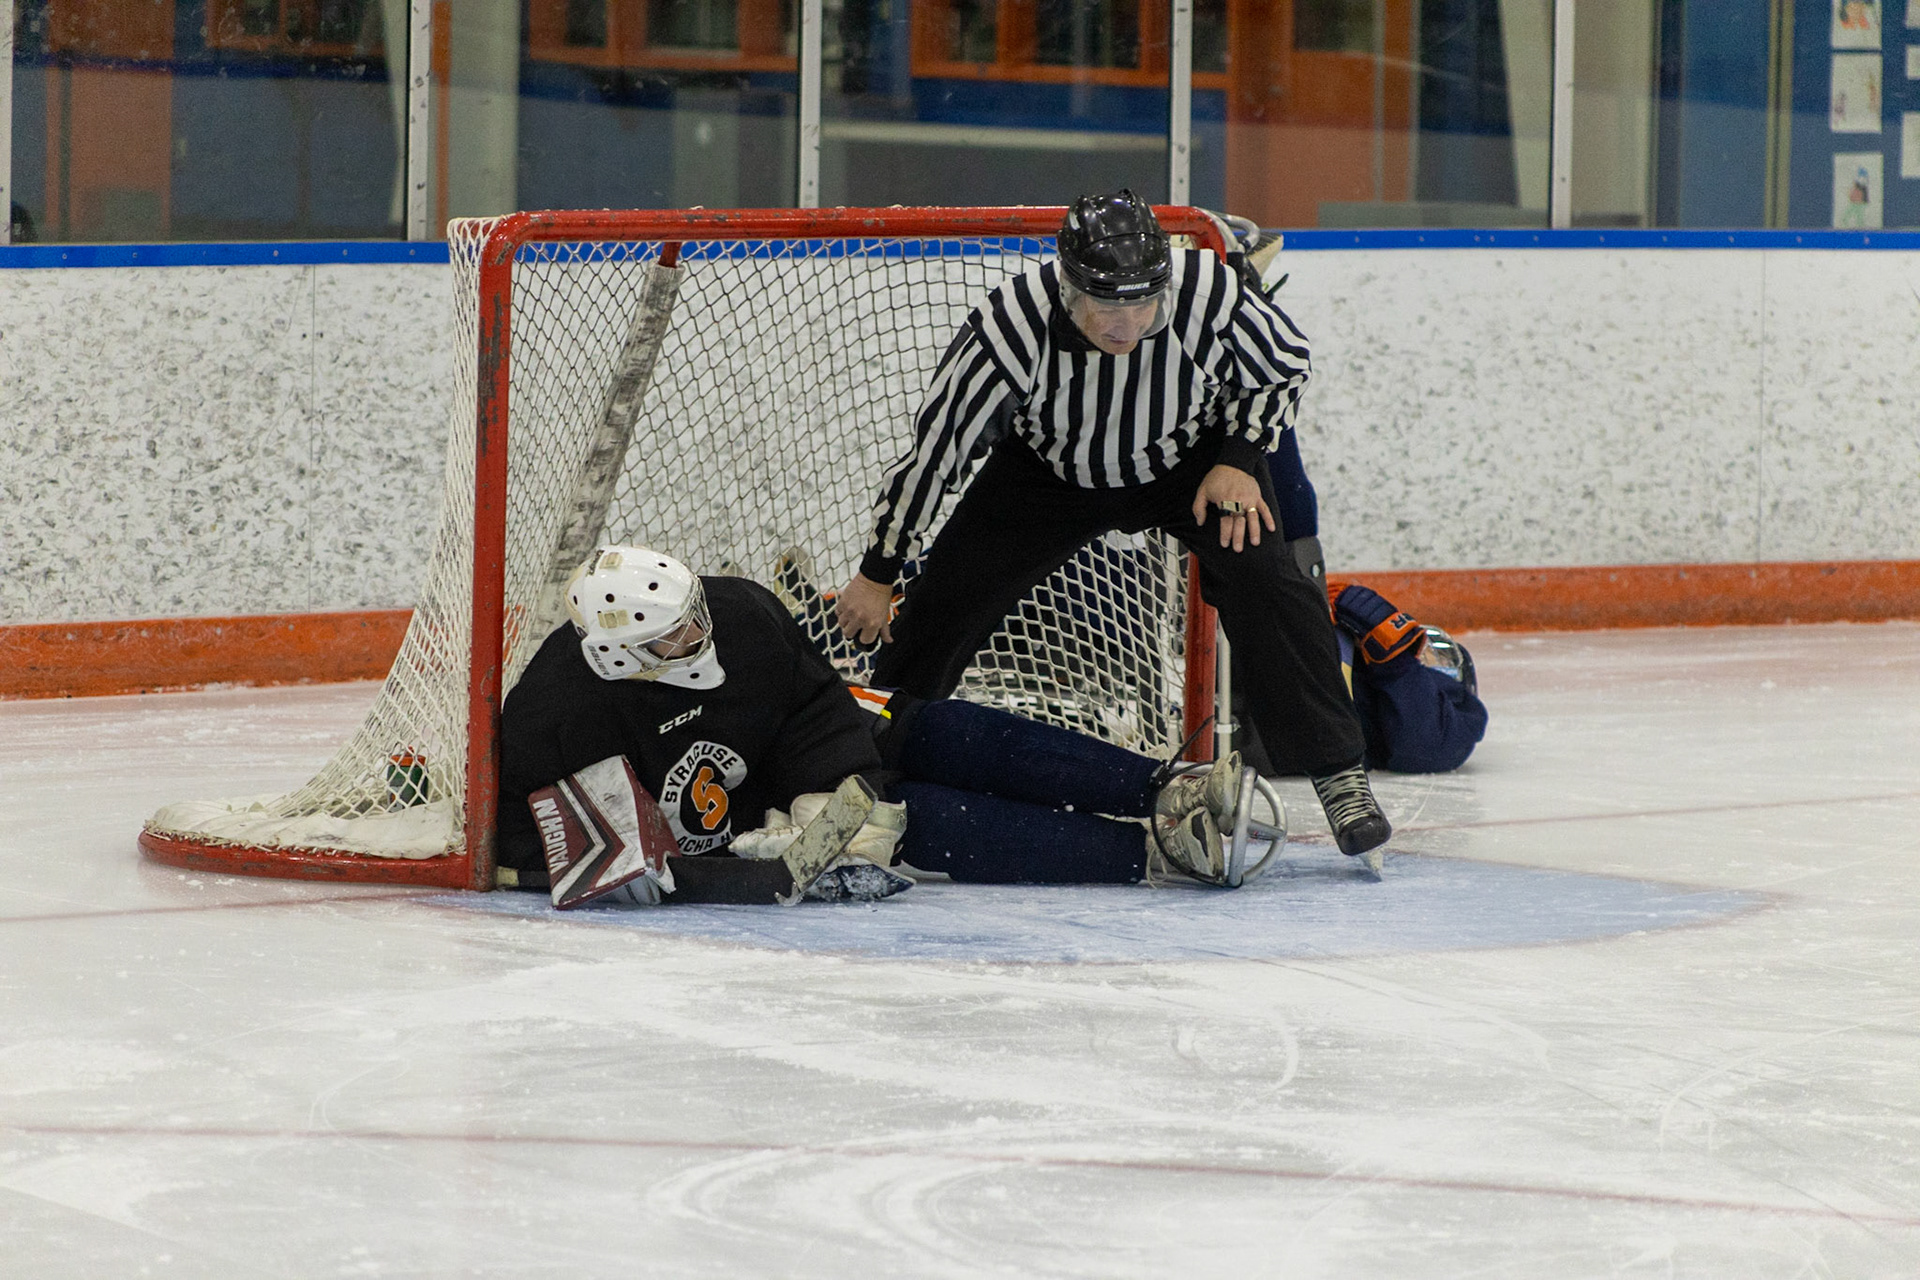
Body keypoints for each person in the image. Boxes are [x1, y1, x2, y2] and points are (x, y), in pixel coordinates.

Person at [834, 189, 1390, 861]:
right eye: (1107, 305)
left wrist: (1241, 458)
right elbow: (936, 454)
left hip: (1188, 463)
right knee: (942, 603)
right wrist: (878, 571)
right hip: (1048, 472)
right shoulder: (1010, 327)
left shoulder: (1206, 291)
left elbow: (1284, 364)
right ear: (1069, 287)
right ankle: (865, 763)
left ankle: (1339, 774)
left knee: (1267, 576)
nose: (1127, 324)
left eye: (1142, 303)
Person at [495, 546, 1259, 908]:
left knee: (916, 728)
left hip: (794, 746)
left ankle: (1164, 788)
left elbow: (814, 703)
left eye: (693, 613)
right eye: (675, 636)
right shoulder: (558, 721)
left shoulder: (739, 613)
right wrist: (769, 868)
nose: (702, 634)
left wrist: (840, 786)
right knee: (917, 821)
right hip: (733, 816)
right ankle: (1155, 850)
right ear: (618, 651)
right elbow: (602, 864)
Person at [1234, 581, 1488, 777]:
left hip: (1261, 723)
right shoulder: (1365, 658)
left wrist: (1397, 660)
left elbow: (1425, 747)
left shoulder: (1449, 727)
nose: (1421, 657)